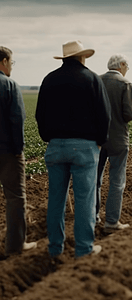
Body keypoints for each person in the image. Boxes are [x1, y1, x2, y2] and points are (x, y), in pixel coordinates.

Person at [36, 40, 110, 258]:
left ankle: (54, 248)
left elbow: (40, 115)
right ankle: (84, 249)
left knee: (56, 199)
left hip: (55, 146)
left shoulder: (49, 80)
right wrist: (99, 141)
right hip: (85, 147)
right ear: (82, 57)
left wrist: (48, 137)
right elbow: (104, 116)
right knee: (84, 200)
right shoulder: (92, 79)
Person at [0, 46, 37, 256]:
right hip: (6, 151)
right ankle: (15, 245)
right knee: (14, 197)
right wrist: (18, 150)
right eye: (11, 62)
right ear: (4, 61)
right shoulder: (9, 85)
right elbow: (17, 120)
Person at [96, 54, 132, 232]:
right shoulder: (125, 84)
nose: (127, 69)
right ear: (121, 65)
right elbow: (129, 114)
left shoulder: (96, 81)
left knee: (95, 179)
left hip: (97, 137)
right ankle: (112, 221)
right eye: (127, 66)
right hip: (118, 137)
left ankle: (93, 216)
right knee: (117, 180)